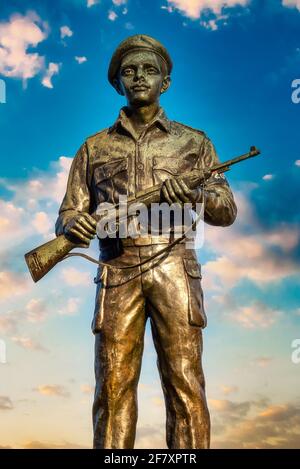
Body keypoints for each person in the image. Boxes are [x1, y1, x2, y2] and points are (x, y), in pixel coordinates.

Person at [55, 34, 237, 449]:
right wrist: (73, 226)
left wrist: (194, 195)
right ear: (118, 82)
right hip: (116, 271)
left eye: (150, 70)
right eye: (129, 71)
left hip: (175, 266)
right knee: (113, 388)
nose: (139, 77)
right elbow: (68, 213)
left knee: (186, 384)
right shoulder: (94, 147)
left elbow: (225, 210)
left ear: (166, 82)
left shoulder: (195, 142)